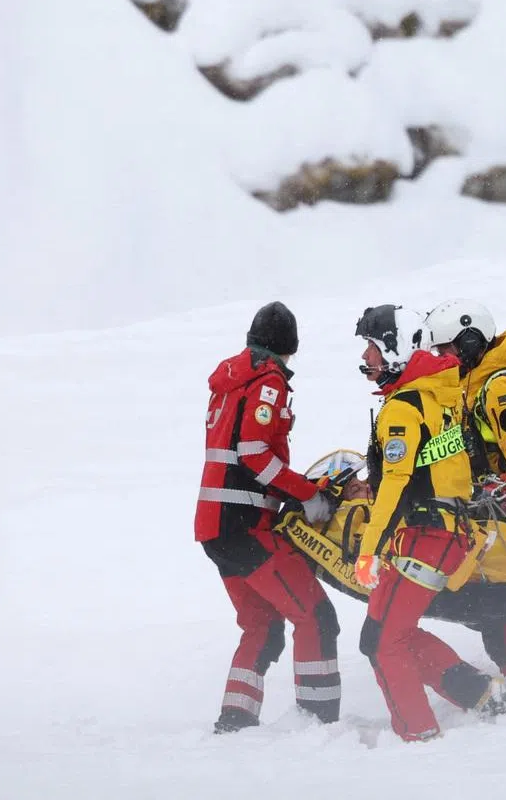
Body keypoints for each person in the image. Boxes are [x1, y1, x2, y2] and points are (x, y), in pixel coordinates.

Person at [354, 305, 506, 742]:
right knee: (379, 635)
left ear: (395, 349)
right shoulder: (435, 398)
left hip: (428, 536)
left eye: (371, 346)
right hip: (439, 533)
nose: (366, 357)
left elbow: (395, 482)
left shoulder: (403, 409)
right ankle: (484, 695)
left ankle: (418, 737)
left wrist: (368, 549)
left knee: (387, 640)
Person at [195, 301, 341, 733]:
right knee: (316, 617)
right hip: (244, 526)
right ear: (287, 347)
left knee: (261, 626)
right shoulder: (268, 380)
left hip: (214, 528)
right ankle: (320, 726)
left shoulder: (229, 380)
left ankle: (235, 724)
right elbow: (254, 454)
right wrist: (308, 493)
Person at [424, 297, 506, 693]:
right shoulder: (472, 387)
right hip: (500, 506)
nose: (441, 358)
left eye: (446, 349)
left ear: (469, 342)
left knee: (500, 604)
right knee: (497, 607)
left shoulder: (499, 389)